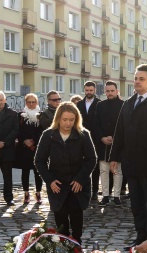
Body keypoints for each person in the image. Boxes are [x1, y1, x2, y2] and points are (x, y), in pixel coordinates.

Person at [110, 64, 147, 250]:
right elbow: (119, 131)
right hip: (131, 163)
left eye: (141, 78)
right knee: (136, 204)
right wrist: (114, 157)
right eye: (135, 78)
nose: (136, 81)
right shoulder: (128, 103)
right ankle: (139, 237)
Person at [35, 102, 97, 244]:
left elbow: (91, 159)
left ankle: (77, 245)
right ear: (58, 119)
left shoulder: (83, 134)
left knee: (76, 216)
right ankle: (63, 247)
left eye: (71, 120)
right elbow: (39, 161)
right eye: (65, 119)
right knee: (60, 219)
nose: (68, 123)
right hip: (57, 184)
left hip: (77, 184)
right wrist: (50, 180)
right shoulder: (48, 135)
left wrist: (80, 179)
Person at [95, 80, 125, 206]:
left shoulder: (124, 105)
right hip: (103, 144)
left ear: (117, 91)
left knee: (117, 171)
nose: (110, 93)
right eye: (107, 91)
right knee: (104, 170)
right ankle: (105, 195)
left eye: (112, 91)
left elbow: (125, 125)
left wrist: (115, 138)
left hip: (118, 143)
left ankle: (117, 196)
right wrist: (102, 137)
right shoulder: (100, 105)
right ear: (104, 92)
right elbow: (96, 124)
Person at [15, 93, 43, 204]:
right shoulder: (20, 115)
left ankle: (38, 193)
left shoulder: (41, 115)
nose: (31, 104)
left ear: (37, 103)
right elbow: (17, 131)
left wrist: (35, 142)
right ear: (26, 103)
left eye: (33, 102)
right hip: (24, 147)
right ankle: (26, 193)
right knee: (25, 171)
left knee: (38, 172)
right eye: (29, 102)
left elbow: (43, 130)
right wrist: (24, 141)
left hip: (37, 147)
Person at [77, 81, 101, 200]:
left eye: (91, 90)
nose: (89, 92)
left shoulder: (99, 104)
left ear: (94, 90)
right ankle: (83, 188)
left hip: (96, 138)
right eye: (87, 90)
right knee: (82, 165)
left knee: (94, 165)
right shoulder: (79, 104)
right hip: (81, 138)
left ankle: (95, 190)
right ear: (84, 90)